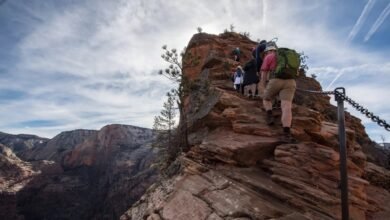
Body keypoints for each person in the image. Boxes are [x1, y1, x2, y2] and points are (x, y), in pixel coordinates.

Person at [260, 45, 296, 143]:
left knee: (266, 98)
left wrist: (263, 86)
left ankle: (270, 115)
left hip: (276, 80)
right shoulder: (288, 56)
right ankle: (286, 133)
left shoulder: (269, 57)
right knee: (286, 107)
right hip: (290, 81)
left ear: (268, 51)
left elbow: (264, 73)